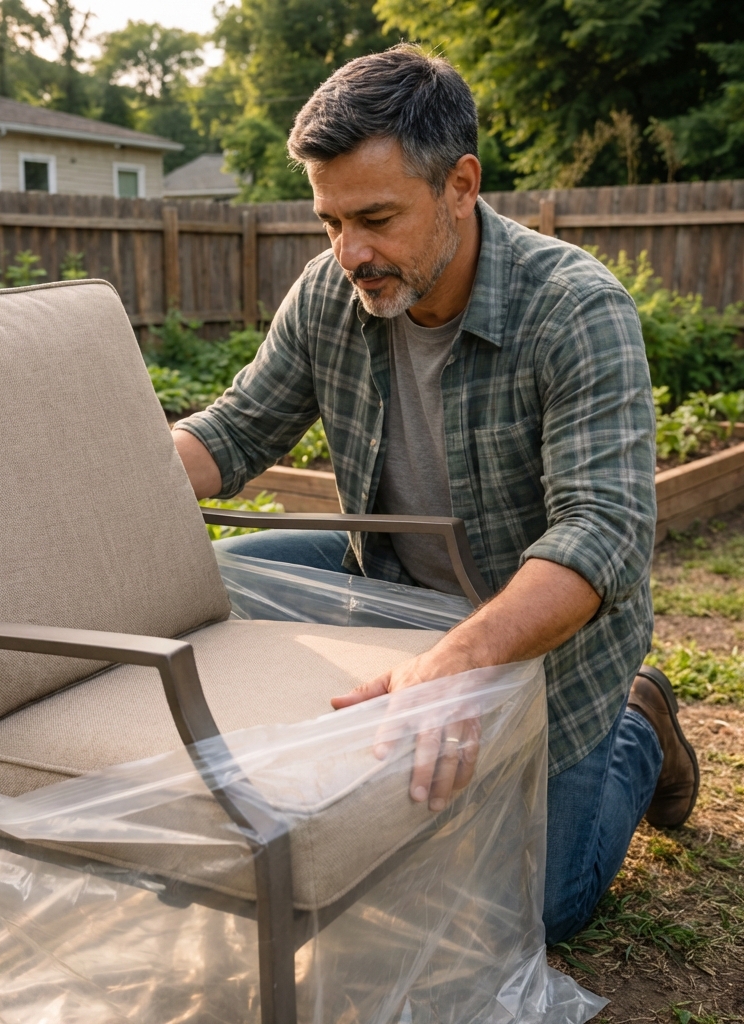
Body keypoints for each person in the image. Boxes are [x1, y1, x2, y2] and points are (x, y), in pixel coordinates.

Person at [172, 43, 700, 944]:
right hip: (392, 587)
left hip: (544, 641)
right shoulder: (329, 293)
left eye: (376, 217)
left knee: (535, 910)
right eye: (330, 221)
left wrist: (456, 663)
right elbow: (233, 432)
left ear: (461, 183)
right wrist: (96, 493)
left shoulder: (575, 308)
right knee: (199, 582)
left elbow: (601, 532)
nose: (351, 252)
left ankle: (638, 728)